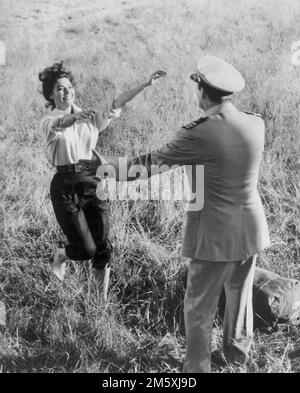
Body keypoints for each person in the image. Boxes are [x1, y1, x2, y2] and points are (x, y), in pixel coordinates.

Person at [95, 55, 270, 371]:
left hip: (214, 235)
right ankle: (236, 358)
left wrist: (107, 170)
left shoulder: (199, 133)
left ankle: (196, 370)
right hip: (251, 228)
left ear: (202, 90)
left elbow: (150, 164)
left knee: (198, 309)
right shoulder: (255, 122)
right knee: (239, 297)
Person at [39, 61, 166, 298]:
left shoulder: (90, 116)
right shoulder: (48, 121)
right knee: (85, 249)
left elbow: (118, 102)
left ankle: (101, 302)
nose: (65, 92)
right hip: (65, 185)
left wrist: (146, 84)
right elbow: (61, 124)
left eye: (68, 87)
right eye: (59, 89)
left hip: (91, 180)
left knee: (103, 247)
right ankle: (61, 255)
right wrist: (75, 118)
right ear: (50, 94)